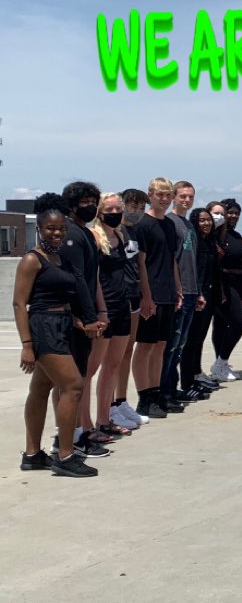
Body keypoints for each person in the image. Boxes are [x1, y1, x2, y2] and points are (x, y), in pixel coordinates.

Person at [15, 193, 101, 477]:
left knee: (41, 389)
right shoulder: (32, 259)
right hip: (44, 328)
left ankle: (32, 455)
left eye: (61, 229)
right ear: (39, 228)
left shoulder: (59, 257)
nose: (57, 233)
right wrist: (27, 345)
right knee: (73, 386)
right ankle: (65, 456)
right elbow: (19, 303)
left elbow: (63, 296)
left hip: (63, 325)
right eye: (51, 228)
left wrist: (79, 321)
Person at [57, 181, 110, 456]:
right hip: (70, 321)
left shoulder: (87, 234)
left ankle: (72, 434)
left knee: (76, 379)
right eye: (85, 202)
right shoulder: (70, 234)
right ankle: (67, 439)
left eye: (93, 202)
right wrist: (85, 316)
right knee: (71, 383)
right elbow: (73, 279)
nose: (90, 207)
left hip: (88, 316)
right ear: (72, 204)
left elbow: (92, 278)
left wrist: (100, 311)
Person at [132, 178, 183, 417]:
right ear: (150, 195)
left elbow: (172, 259)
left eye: (167, 195)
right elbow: (141, 262)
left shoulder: (170, 225)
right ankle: (144, 397)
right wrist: (146, 296)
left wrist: (178, 289)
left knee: (161, 346)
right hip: (150, 293)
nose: (164, 199)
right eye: (159, 194)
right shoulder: (142, 224)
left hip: (168, 293)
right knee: (145, 346)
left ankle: (156, 392)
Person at [86, 193, 134, 438]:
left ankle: (104, 419)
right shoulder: (94, 237)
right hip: (102, 308)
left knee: (113, 365)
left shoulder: (120, 234)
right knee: (91, 369)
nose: (115, 212)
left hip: (122, 305)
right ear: (99, 210)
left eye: (118, 208)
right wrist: (98, 310)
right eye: (110, 208)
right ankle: (86, 426)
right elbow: (91, 276)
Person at [109, 188, 150, 428]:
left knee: (127, 351)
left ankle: (121, 401)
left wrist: (146, 295)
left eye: (141, 208)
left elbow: (141, 265)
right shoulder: (113, 231)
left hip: (134, 295)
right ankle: (109, 406)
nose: (136, 212)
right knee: (112, 355)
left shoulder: (137, 232)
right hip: (116, 296)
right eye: (132, 206)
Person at [161, 181, 200, 402]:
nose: (186, 200)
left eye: (190, 196)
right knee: (171, 344)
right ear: (174, 197)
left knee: (180, 345)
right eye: (183, 196)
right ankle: (163, 390)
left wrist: (198, 291)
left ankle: (172, 387)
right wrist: (177, 290)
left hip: (192, 290)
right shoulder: (170, 223)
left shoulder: (189, 224)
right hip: (179, 292)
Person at [179, 207, 218, 398]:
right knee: (190, 341)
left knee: (198, 340)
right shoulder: (195, 241)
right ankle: (187, 383)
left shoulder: (209, 242)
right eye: (202, 220)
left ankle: (195, 377)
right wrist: (199, 293)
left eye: (208, 220)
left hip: (207, 295)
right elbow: (195, 271)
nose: (206, 223)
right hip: (196, 295)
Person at [211, 198, 242, 381]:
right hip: (222, 284)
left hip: (238, 282)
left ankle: (221, 364)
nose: (233, 216)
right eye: (229, 212)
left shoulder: (236, 236)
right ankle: (220, 362)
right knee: (239, 321)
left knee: (222, 324)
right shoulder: (216, 236)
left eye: (236, 213)